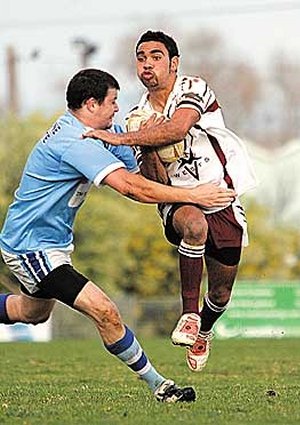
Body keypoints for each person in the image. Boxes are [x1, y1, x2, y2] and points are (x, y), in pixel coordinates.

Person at [0, 68, 237, 403]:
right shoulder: (75, 141)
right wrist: (196, 196)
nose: (117, 109)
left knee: (32, 312)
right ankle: (160, 387)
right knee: (105, 311)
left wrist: (152, 140)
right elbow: (132, 188)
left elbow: (139, 172)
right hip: (30, 247)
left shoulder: (102, 132)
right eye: (112, 102)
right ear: (91, 104)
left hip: (50, 244)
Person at [83, 31, 257, 372]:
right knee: (193, 225)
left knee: (221, 295)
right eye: (141, 57)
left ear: (174, 63)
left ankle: (204, 329)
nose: (147, 64)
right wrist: (146, 145)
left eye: (156, 56)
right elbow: (157, 182)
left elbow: (178, 129)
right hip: (179, 201)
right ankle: (189, 315)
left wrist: (121, 137)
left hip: (220, 195)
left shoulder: (193, 89)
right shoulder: (137, 116)